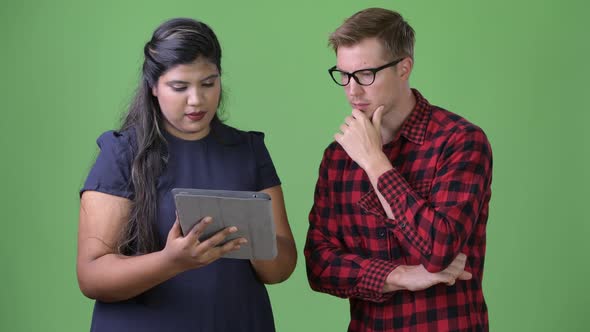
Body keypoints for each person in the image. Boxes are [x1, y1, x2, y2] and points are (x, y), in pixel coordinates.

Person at [77, 18, 297, 332]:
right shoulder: (122, 153)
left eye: (209, 83)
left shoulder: (247, 150)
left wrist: (252, 238)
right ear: (153, 86)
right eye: (179, 87)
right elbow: (91, 276)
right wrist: (172, 261)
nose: (197, 99)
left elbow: (281, 269)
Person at [304, 8, 493, 331]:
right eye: (343, 75)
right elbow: (319, 265)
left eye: (365, 74)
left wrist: (374, 162)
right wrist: (400, 275)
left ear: (404, 68)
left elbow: (439, 250)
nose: (352, 90)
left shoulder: (460, 141)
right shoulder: (338, 157)